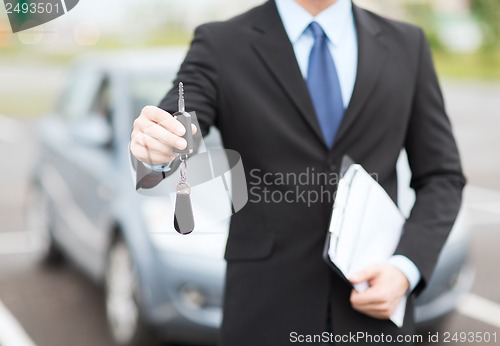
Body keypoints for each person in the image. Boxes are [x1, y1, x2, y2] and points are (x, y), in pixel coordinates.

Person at [130, 0, 465, 344]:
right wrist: (158, 146)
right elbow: (178, 120)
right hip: (264, 311)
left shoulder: (407, 44)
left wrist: (405, 267)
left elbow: (443, 176)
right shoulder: (221, 43)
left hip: (375, 305)